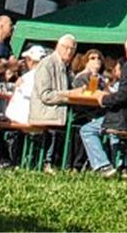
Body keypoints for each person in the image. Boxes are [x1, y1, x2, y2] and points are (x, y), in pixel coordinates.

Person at [79, 33, 127, 177]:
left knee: (87, 130)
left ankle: (103, 165)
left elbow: (123, 95)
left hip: (126, 119)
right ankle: (121, 167)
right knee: (112, 132)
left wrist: (103, 99)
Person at [30, 33, 77, 170]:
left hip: (60, 111)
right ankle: (48, 163)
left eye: (72, 49)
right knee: (58, 129)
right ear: (58, 46)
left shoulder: (67, 68)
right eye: (66, 47)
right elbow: (45, 95)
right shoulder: (47, 64)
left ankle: (71, 165)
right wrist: (68, 95)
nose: (69, 52)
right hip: (46, 112)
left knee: (80, 126)